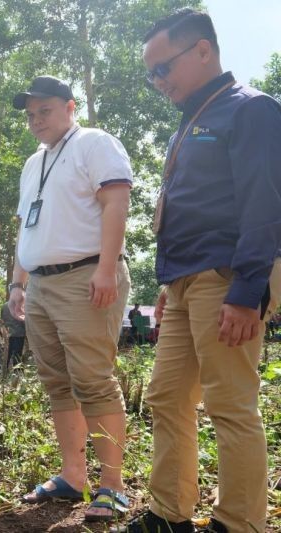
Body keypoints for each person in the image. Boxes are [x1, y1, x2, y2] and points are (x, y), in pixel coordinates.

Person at [117, 9, 281, 533]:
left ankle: (239, 523)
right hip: (185, 281)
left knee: (229, 403)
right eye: (151, 74)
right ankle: (169, 515)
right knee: (166, 396)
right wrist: (168, 284)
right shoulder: (191, 121)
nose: (157, 82)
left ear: (203, 51)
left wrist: (247, 290)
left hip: (229, 275)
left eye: (163, 68)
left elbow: (265, 202)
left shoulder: (251, 111)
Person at [6, 75, 133, 522]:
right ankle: (72, 475)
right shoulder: (32, 163)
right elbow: (27, 226)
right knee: (58, 383)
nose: (36, 120)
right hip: (40, 285)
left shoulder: (94, 144)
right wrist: (18, 283)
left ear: (70, 107)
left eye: (45, 111)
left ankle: (113, 485)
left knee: (93, 380)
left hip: (86, 276)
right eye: (30, 114)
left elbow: (116, 202)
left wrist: (106, 268)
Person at [0, 300, 26, 373]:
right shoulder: (19, 305)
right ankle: (17, 371)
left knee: (8, 352)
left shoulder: (4, 305)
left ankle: (6, 370)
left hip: (8, 333)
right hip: (19, 333)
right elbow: (23, 319)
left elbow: (2, 319)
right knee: (18, 353)